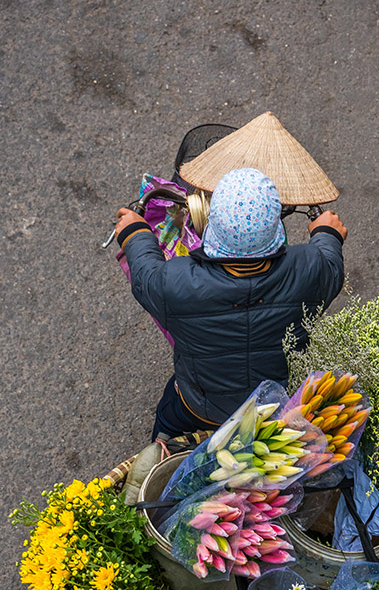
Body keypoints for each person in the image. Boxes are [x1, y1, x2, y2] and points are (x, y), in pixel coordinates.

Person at [115, 167, 347, 440]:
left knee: (169, 415)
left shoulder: (173, 282)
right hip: (277, 406)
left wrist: (135, 233)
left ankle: (161, 445)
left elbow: (144, 274)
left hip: (202, 407)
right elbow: (331, 264)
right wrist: (327, 234)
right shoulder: (311, 268)